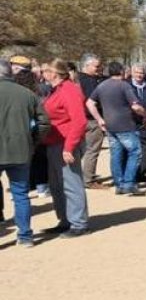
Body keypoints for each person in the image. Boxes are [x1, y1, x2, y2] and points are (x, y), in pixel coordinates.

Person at [0, 56, 50, 246]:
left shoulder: (26, 94)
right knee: (21, 195)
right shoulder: (27, 94)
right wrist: (33, 141)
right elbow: (44, 122)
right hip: (21, 150)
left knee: (20, 194)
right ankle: (25, 235)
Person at [38, 59, 89, 237]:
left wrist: (69, 147)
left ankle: (78, 223)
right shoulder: (57, 90)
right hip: (53, 142)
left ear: (54, 73)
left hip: (66, 143)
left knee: (71, 183)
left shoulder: (69, 90)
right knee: (56, 185)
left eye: (45, 70)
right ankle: (65, 219)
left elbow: (79, 121)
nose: (43, 73)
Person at [86, 62, 146, 196]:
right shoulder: (124, 85)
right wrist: (145, 114)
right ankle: (129, 183)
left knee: (116, 154)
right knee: (135, 152)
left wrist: (99, 119)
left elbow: (89, 103)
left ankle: (119, 184)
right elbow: (135, 106)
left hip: (110, 126)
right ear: (122, 71)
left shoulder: (101, 85)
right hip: (126, 125)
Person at [76, 55, 106, 187]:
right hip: (92, 119)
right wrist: (100, 118)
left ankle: (81, 176)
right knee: (92, 150)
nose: (99, 68)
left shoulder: (77, 79)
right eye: (96, 66)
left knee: (81, 150)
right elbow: (92, 101)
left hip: (80, 118)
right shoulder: (89, 81)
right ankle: (89, 179)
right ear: (86, 66)